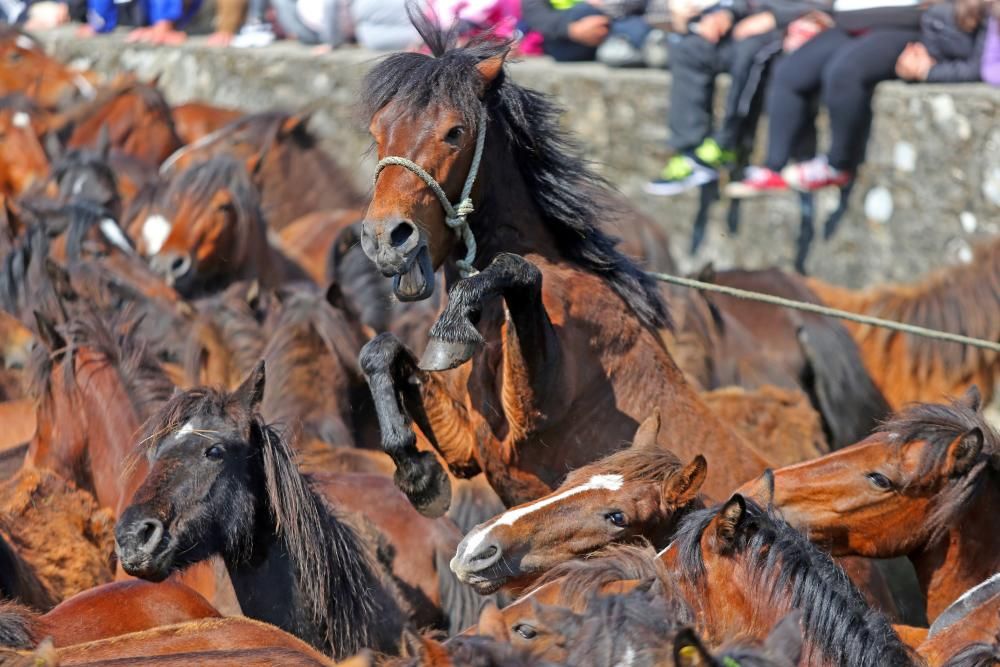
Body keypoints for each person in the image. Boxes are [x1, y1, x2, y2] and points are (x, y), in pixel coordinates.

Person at [728, 0, 987, 197]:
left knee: (843, 72)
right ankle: (774, 166)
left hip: (904, 23)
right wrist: (808, 16)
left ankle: (836, 165)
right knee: (790, 72)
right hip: (847, 21)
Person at [644, 0, 827, 195]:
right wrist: (725, 14)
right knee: (690, 49)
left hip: (792, 26)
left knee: (750, 52)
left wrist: (776, 16)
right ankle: (690, 151)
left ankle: (725, 144)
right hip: (746, 23)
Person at [521, 0, 664, 65]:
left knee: (603, 13)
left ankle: (633, 42)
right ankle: (644, 40)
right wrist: (571, 29)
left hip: (604, 22)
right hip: (563, 39)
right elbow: (536, 16)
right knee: (587, 10)